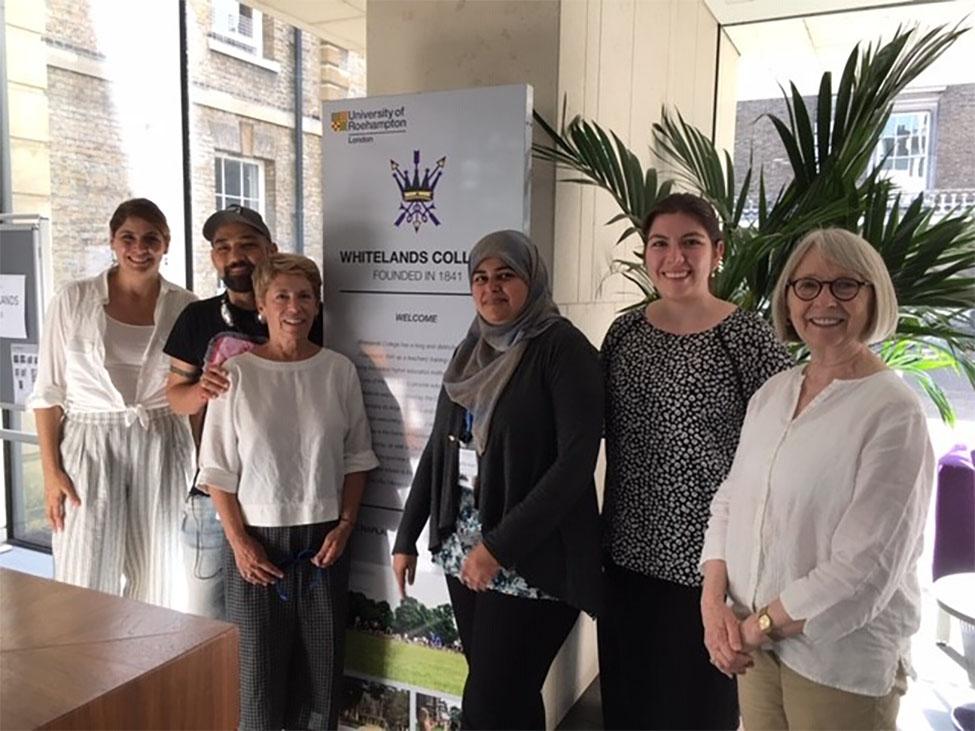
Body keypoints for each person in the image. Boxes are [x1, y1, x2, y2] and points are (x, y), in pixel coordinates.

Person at [700, 228, 934, 730]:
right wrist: (711, 602)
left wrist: (760, 624)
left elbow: (864, 566)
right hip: (754, 644)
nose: (824, 300)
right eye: (807, 286)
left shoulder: (892, 411)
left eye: (845, 285)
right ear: (788, 298)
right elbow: (730, 499)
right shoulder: (774, 392)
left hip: (837, 659)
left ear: (873, 298)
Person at [392, 230, 603, 730]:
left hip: (533, 556)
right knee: (507, 698)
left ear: (531, 279)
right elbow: (439, 450)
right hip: (464, 548)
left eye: (505, 275)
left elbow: (575, 462)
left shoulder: (562, 349)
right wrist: (407, 535)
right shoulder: (471, 350)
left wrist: (498, 548)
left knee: (490, 700)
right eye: (480, 278)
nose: (491, 288)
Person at [598, 193, 793, 730]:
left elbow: (787, 443)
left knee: (699, 712)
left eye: (691, 242)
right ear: (645, 254)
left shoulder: (745, 336)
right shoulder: (624, 334)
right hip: (627, 557)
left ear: (718, 252)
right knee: (629, 706)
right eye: (659, 244)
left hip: (712, 570)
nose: (674, 257)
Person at [198, 252, 377, 729]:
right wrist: (239, 543)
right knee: (256, 680)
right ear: (261, 304)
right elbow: (216, 471)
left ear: (318, 305)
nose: (293, 306)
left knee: (321, 679)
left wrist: (345, 524)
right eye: (281, 296)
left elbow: (358, 457)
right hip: (256, 545)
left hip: (324, 544)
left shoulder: (338, 371)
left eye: (304, 296)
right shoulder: (234, 376)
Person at [30, 198, 196, 607]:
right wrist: (51, 475)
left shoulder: (186, 307)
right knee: (83, 573)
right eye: (128, 238)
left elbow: (190, 392)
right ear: (112, 241)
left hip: (161, 438)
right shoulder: (74, 300)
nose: (139, 249)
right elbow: (47, 393)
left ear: (166, 244)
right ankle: (85, 670)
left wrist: (199, 467)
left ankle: (148, 667)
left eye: (151, 239)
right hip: (88, 442)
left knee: (158, 574)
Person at [164, 204, 324, 619]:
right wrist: (201, 389)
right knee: (207, 621)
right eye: (223, 247)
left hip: (284, 498)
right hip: (213, 499)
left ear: (270, 248)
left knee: (271, 622)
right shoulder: (197, 317)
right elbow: (174, 396)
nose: (235, 255)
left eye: (247, 244)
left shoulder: (302, 313)